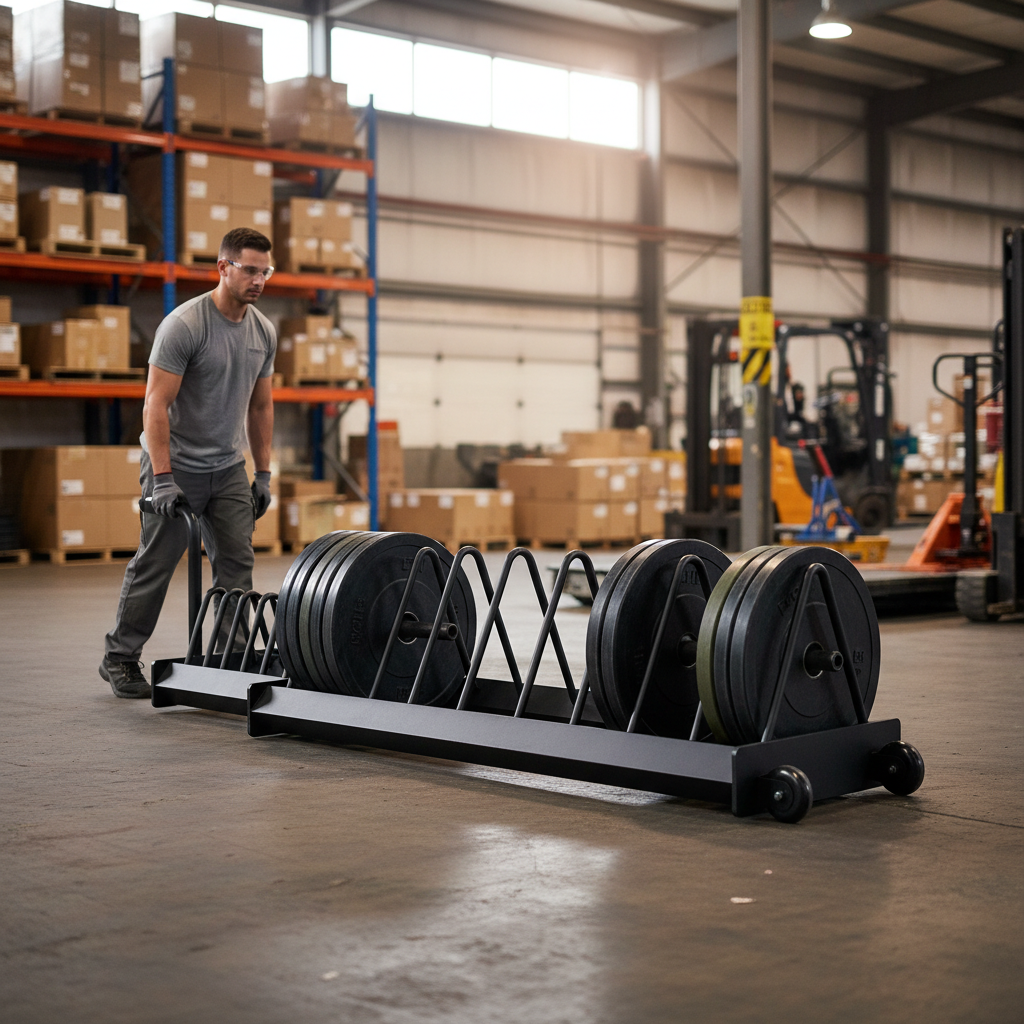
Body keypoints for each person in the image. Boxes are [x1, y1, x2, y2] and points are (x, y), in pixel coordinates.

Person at [100, 228, 277, 698]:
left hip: (227, 467)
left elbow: (261, 407)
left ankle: (231, 660)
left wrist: (262, 473)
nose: (259, 280)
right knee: (157, 562)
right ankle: (119, 658)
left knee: (237, 564)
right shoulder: (185, 325)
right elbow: (155, 405)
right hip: (174, 465)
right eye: (250, 269)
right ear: (223, 267)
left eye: (265, 271)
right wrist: (162, 479)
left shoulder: (263, 331)